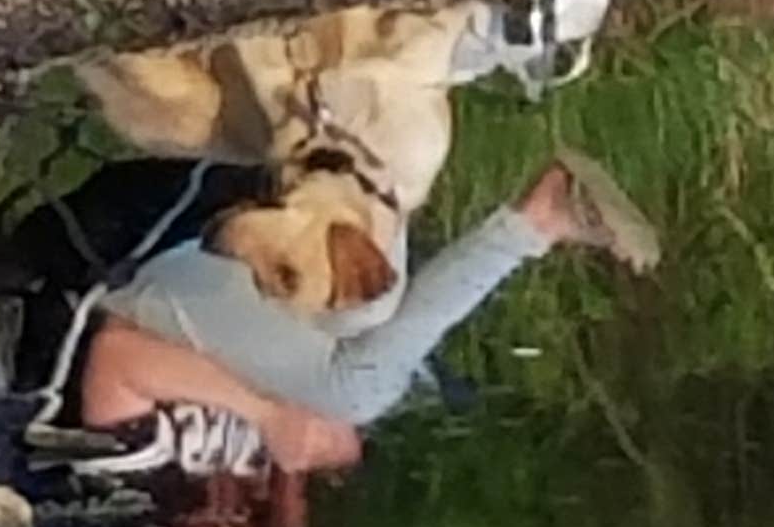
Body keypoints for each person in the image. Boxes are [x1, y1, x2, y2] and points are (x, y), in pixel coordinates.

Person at [79, 151, 659, 469]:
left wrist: (270, 415)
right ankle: (372, 156)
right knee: (360, 316)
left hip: (153, 299)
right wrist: (318, 437)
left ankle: (538, 219)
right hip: (236, 317)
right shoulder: (253, 507)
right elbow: (328, 433)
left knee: (355, 384)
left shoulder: (137, 492)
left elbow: (115, 358)